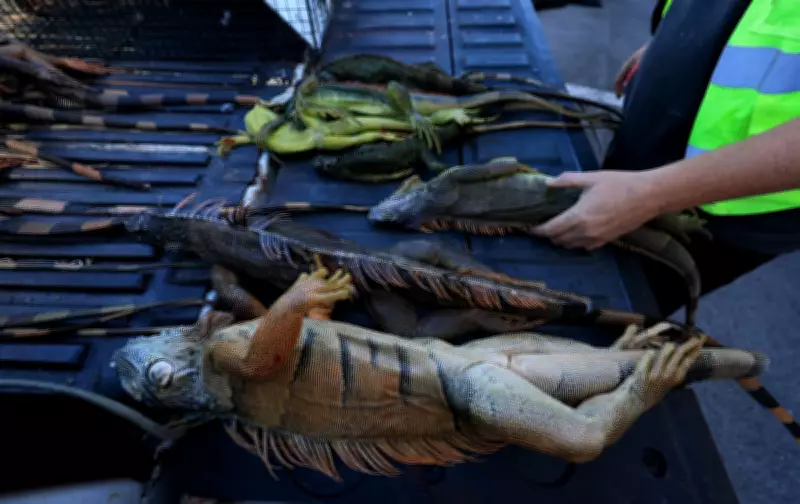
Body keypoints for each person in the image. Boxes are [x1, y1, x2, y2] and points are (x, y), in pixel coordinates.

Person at [532, 0, 800, 316]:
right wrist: (679, 40)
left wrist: (652, 194)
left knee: (575, 311)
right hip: (647, 164)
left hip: (720, 205)